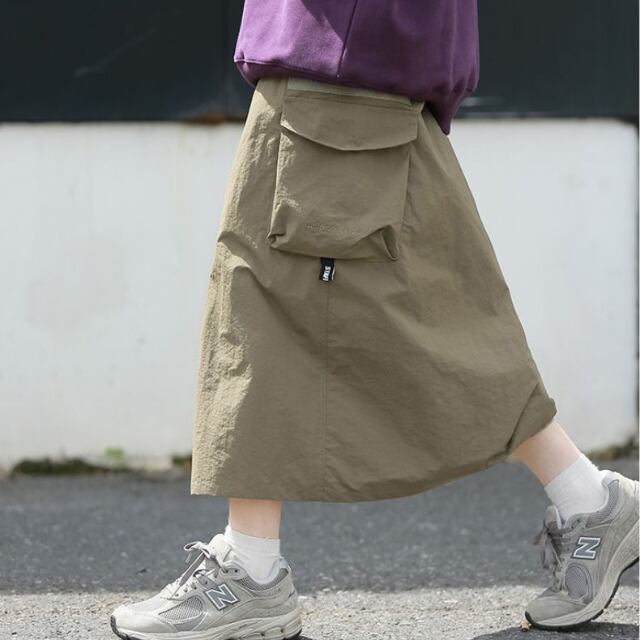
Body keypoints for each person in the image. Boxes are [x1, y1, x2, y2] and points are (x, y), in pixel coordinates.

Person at [110, 2, 639, 638]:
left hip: (339, 60)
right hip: (351, 62)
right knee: (422, 316)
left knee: (262, 312)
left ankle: (250, 570)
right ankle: (589, 500)